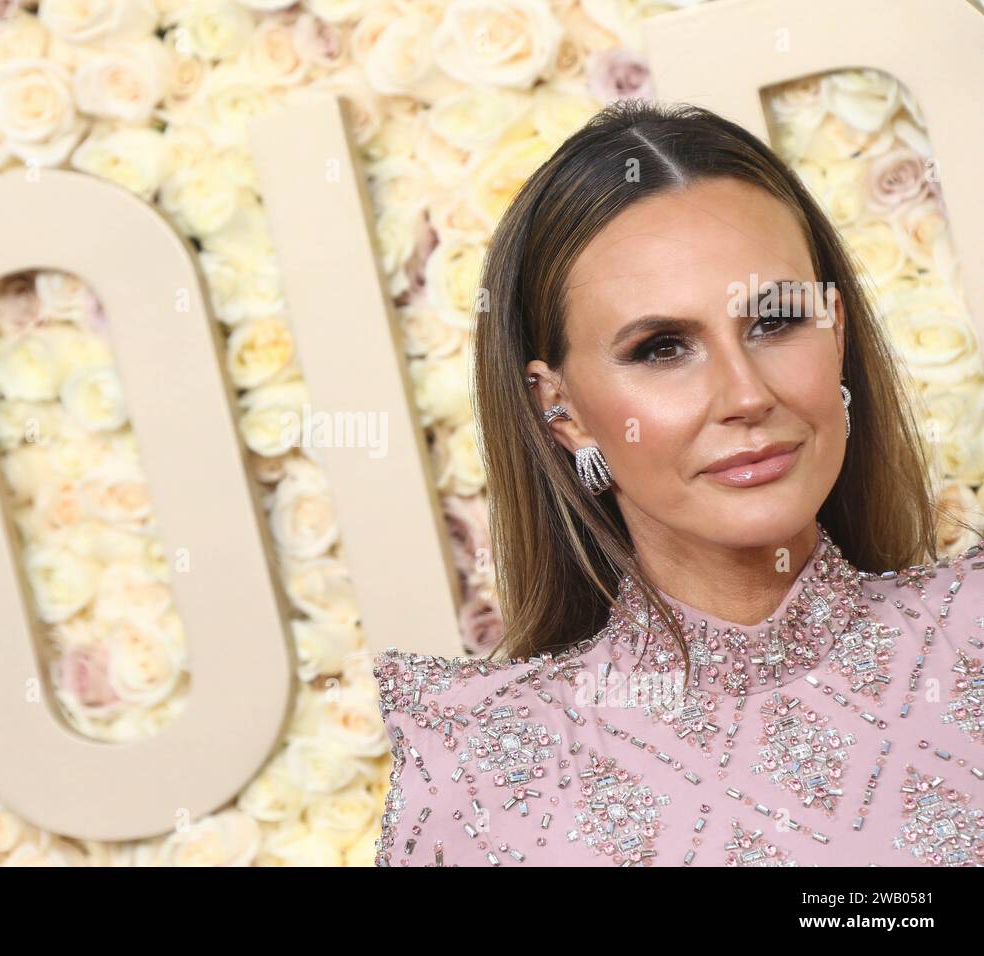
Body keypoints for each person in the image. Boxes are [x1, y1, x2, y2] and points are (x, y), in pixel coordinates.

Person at [373, 100, 984, 867]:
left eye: (774, 321)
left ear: (837, 330)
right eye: (662, 348)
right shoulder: (486, 771)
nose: (745, 395)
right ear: (559, 408)